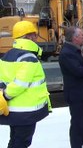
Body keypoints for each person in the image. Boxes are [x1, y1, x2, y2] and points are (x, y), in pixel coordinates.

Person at [0, 20, 51, 148]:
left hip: (12, 111)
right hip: (25, 113)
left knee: (15, 141)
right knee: (22, 143)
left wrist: (3, 96)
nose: (36, 37)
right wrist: (5, 95)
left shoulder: (7, 55)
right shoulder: (29, 58)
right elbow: (20, 83)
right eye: (34, 34)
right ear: (28, 36)